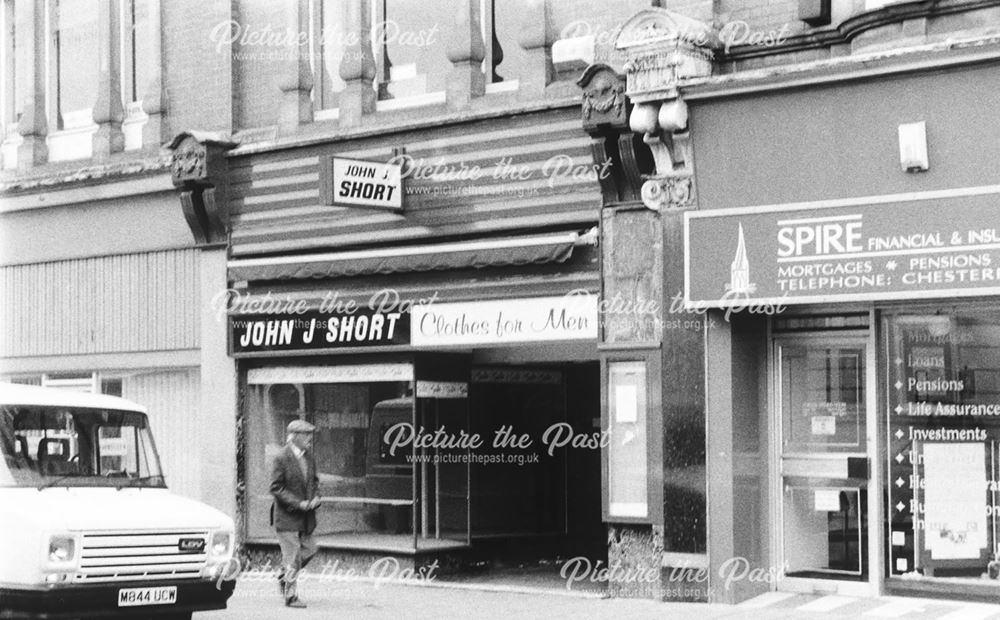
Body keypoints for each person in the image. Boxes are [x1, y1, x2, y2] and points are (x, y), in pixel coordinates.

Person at [270, 419, 320, 608]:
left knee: (310, 549)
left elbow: (314, 481)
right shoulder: (281, 457)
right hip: (287, 516)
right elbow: (276, 488)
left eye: (310, 435)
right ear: (294, 437)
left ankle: (284, 576)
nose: (310, 439)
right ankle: (291, 596)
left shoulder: (309, 457)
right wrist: (299, 503)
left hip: (306, 516)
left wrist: (316, 497)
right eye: (306, 435)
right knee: (292, 557)